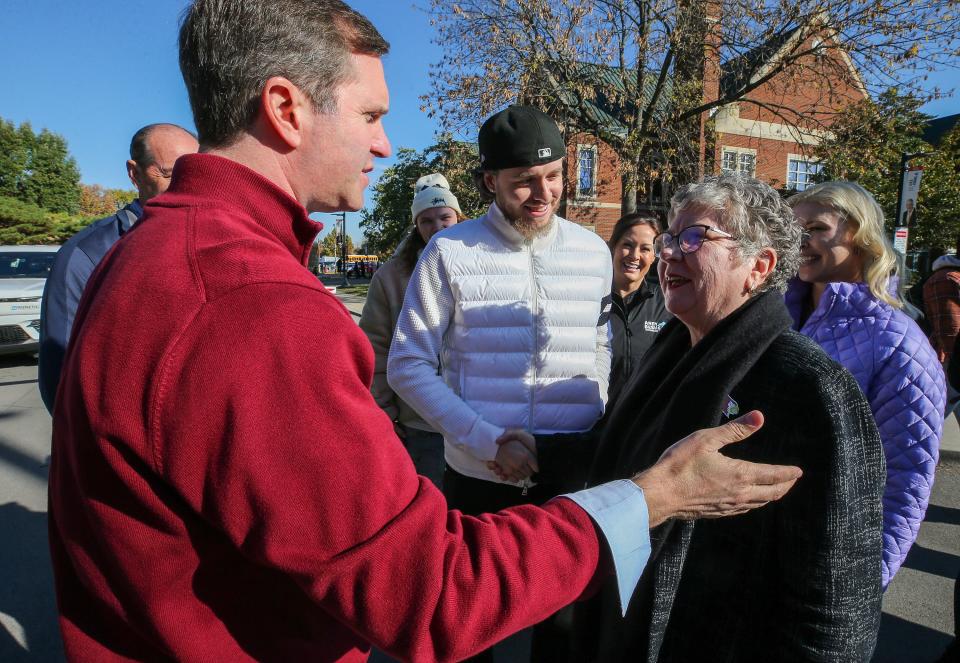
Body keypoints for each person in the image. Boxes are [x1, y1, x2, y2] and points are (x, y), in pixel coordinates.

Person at [47, 2, 802, 661]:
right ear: (284, 108)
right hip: (468, 496)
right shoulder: (253, 302)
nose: (383, 144)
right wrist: (652, 495)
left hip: (566, 472)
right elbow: (430, 593)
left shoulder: (158, 249)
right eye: (370, 115)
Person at [563, 174, 886, 661]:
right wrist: (539, 451)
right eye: (670, 237)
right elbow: (625, 453)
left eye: (695, 237)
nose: (669, 252)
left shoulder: (809, 386)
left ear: (759, 265)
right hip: (622, 623)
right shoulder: (671, 351)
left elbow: (838, 602)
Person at [387, 106, 616, 661]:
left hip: (568, 470)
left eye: (555, 175)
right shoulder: (450, 252)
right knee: (468, 626)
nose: (544, 193)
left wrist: (590, 422)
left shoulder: (593, 252)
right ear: (490, 182)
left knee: (564, 630)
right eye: (523, 183)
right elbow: (407, 364)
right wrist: (487, 439)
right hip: (480, 472)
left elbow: (603, 345)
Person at [786, 181, 945, 588]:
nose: (801, 240)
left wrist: (864, 585)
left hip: (830, 561)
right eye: (794, 228)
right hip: (752, 548)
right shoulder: (776, 317)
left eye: (817, 228)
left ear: (858, 233)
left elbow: (906, 480)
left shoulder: (898, 342)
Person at [37, 123, 198, 413]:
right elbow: (59, 374)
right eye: (170, 174)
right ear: (134, 173)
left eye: (194, 174)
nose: (184, 186)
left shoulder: (209, 244)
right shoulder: (86, 255)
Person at [359, 173, 463, 488]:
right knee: (433, 514)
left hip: (477, 418)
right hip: (420, 423)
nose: (437, 227)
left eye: (445, 217)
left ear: (458, 217)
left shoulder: (485, 265)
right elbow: (375, 347)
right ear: (416, 227)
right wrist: (384, 410)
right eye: (426, 221)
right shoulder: (391, 278)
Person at [607, 211, 671, 401]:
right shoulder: (590, 303)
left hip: (644, 426)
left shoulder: (668, 306)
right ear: (614, 248)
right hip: (592, 425)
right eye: (627, 245)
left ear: (654, 256)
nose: (634, 255)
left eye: (645, 249)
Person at [924, 235, 960, 423]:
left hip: (953, 361)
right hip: (950, 361)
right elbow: (950, 328)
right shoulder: (947, 279)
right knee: (931, 417)